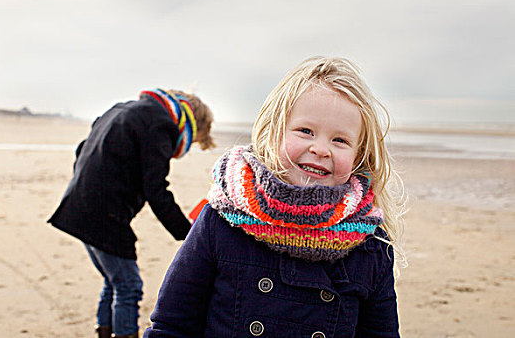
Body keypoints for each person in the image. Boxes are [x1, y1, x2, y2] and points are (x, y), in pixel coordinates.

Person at [143, 56, 407, 337]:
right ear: (275, 133)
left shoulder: (371, 245)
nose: (320, 149)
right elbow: (172, 325)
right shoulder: (222, 219)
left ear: (358, 155)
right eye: (306, 131)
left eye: (339, 140)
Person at [47, 88, 215, 338]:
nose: (184, 149)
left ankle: (104, 332)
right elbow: (156, 189)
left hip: (77, 206)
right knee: (129, 286)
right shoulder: (160, 124)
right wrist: (190, 234)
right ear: (192, 124)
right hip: (104, 216)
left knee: (114, 282)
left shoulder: (122, 109)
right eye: (192, 141)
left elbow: (81, 150)